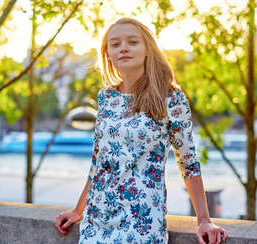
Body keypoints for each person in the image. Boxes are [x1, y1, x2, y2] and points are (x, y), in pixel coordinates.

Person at [54, 18, 229, 244]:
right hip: (97, 219)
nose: (123, 48)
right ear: (107, 54)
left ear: (148, 49)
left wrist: (203, 220)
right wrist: (78, 210)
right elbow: (98, 162)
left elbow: (188, 162)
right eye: (115, 44)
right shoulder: (106, 98)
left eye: (132, 42)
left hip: (142, 220)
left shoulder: (171, 99)